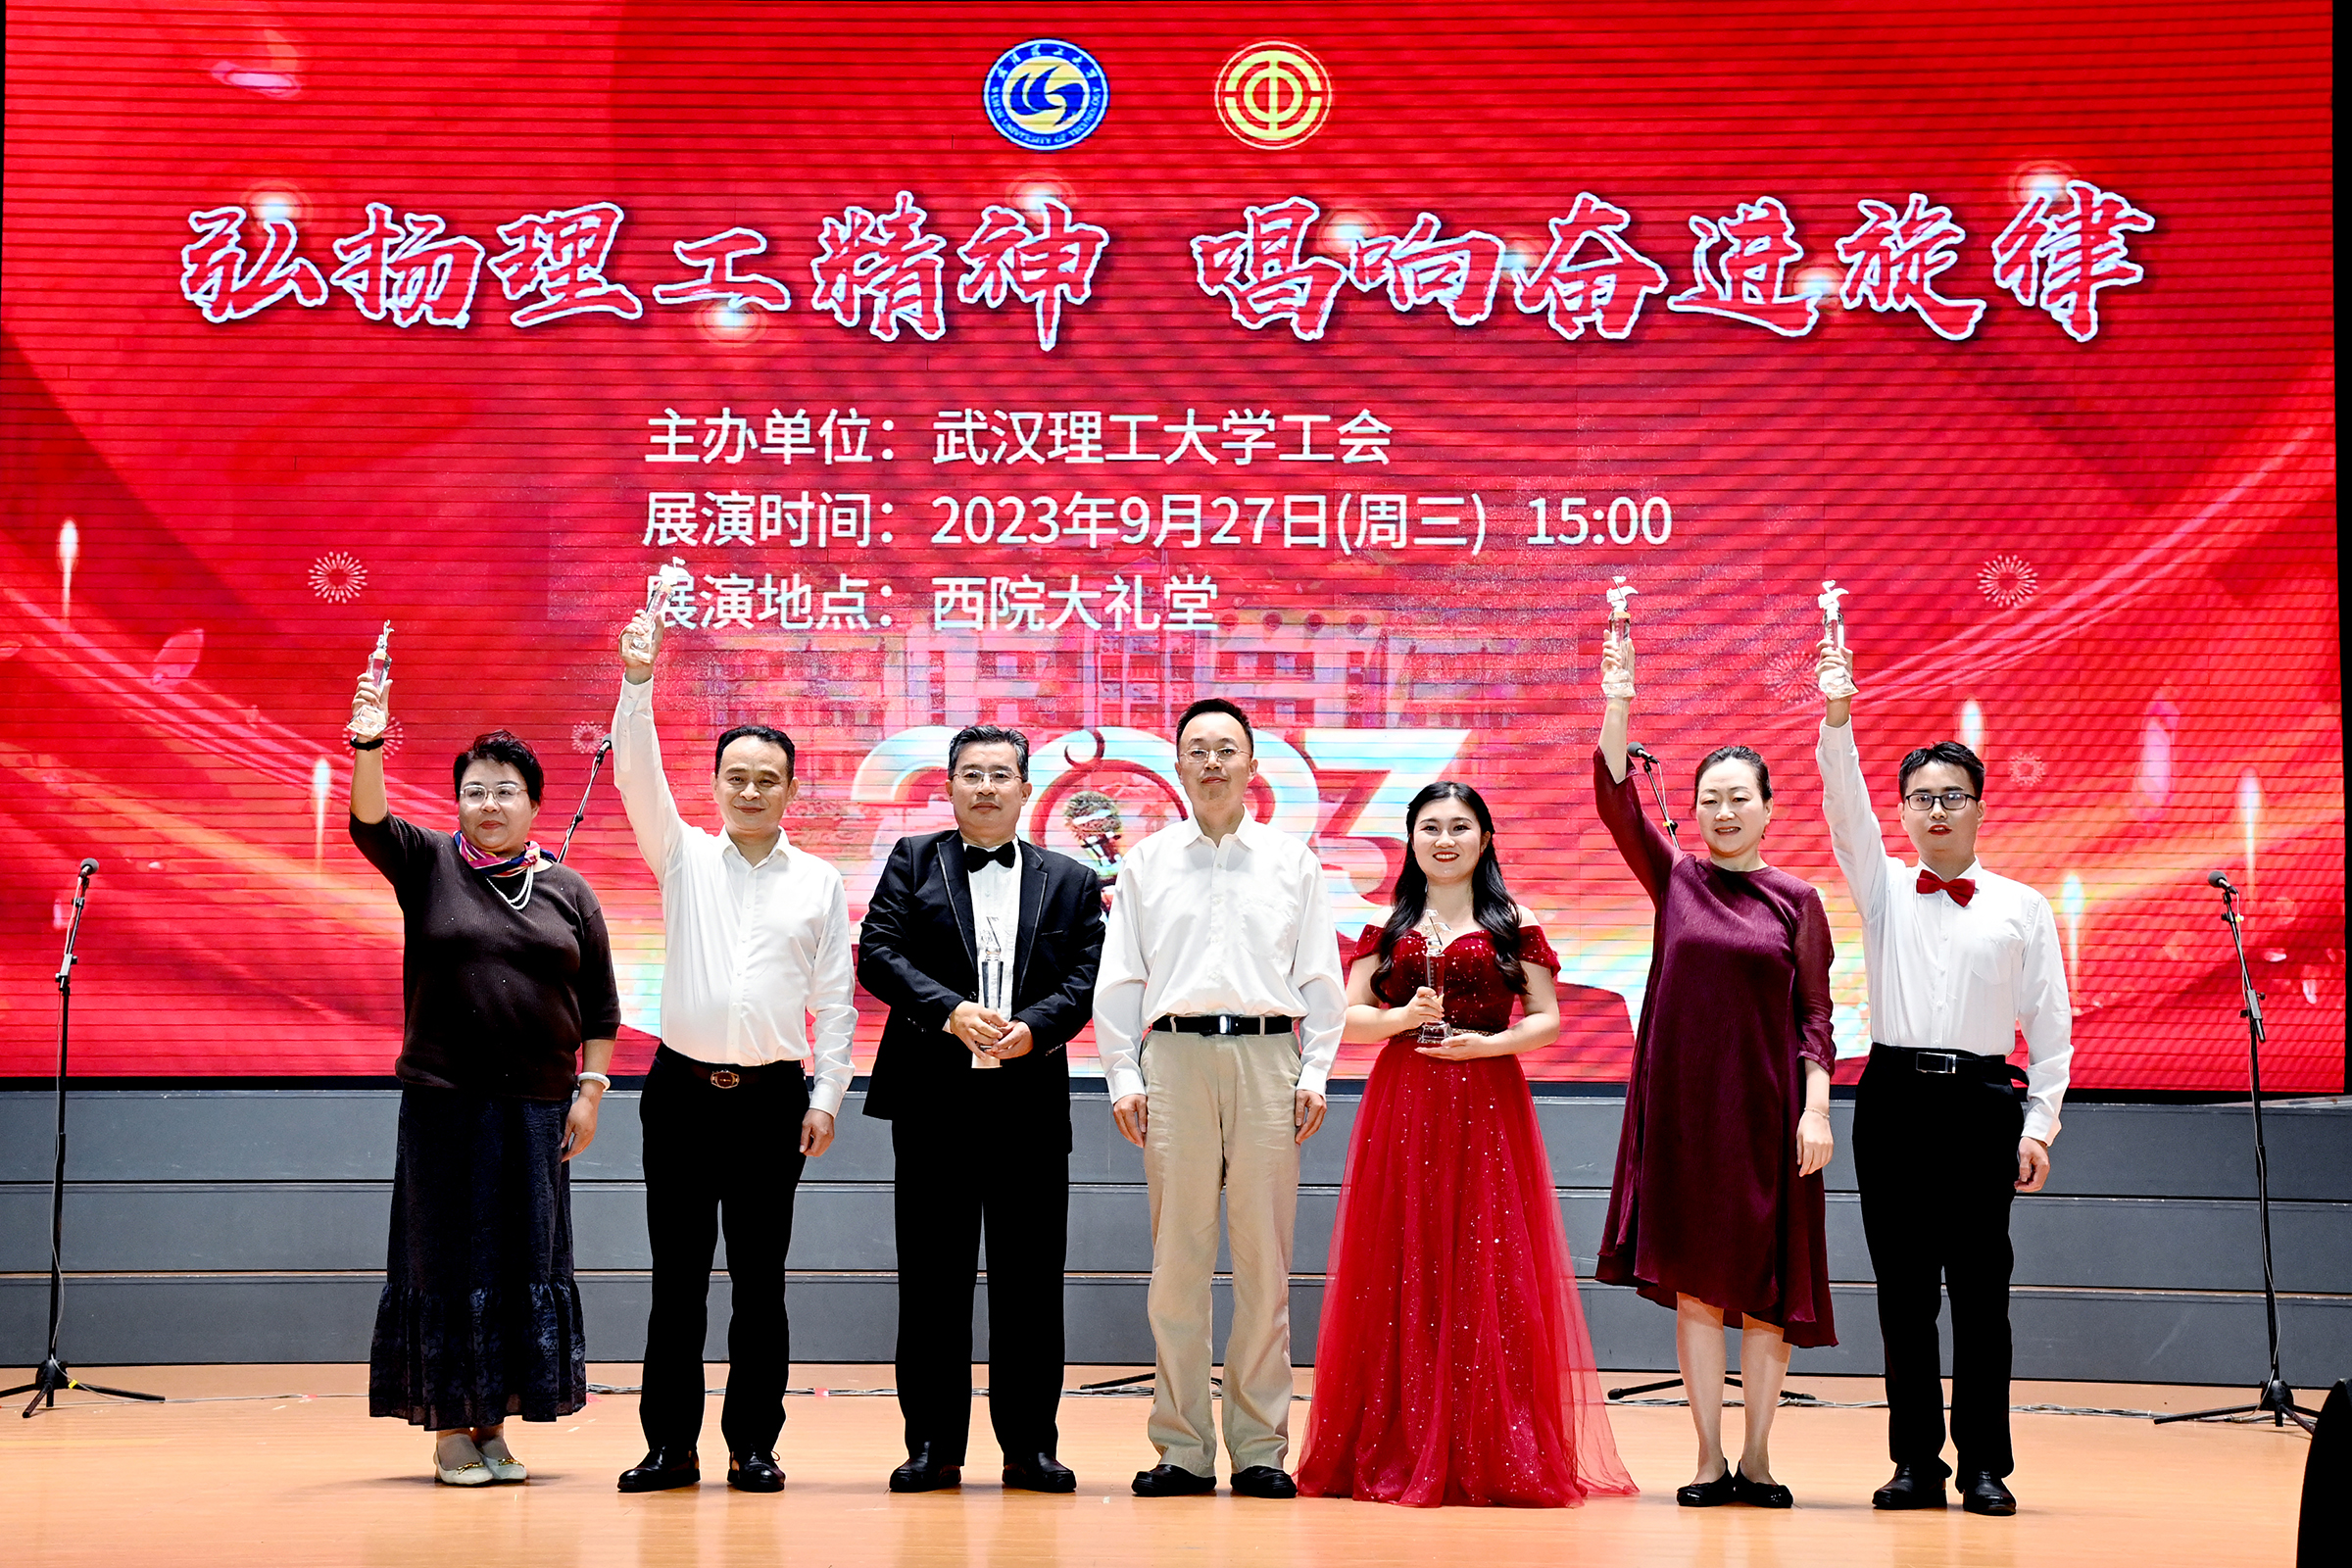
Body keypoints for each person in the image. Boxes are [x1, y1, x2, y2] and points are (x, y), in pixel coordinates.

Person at [1296, 783, 1637, 1508]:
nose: (1444, 840)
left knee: (1489, 1264)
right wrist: (1400, 1018)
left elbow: (1547, 1018)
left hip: (1487, 1102)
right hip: (1405, 1102)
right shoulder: (1387, 924)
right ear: (1411, 840)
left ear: (1485, 839)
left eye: (1459, 827)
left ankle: (1491, 1446)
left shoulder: (1513, 921)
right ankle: (1401, 1437)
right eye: (1430, 827)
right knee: (1401, 1262)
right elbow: (1346, 1018)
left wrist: (1490, 1044)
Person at [1815, 639, 2072, 1517]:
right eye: (1921, 797)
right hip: (1891, 1101)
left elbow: (2050, 1029)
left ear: (1979, 807)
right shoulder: (1883, 887)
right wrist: (1839, 717)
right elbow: (1843, 808)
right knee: (1903, 1294)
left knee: (1981, 1294)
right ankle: (1915, 1464)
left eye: (1952, 796)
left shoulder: (2022, 906)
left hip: (1981, 1104)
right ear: (1903, 810)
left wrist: (2038, 1127)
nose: (1936, 810)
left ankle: (1985, 1467)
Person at [348, 676, 616, 1488]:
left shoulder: (568, 890)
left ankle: (493, 1426)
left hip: (538, 1111)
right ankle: (448, 1433)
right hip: (445, 1107)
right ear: (457, 801)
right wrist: (368, 742)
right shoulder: (428, 863)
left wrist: (590, 1092)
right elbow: (368, 822)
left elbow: (601, 1007)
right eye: (475, 790)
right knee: (446, 1265)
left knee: (517, 1264)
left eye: (505, 791)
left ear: (534, 804)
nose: (489, 803)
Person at [609, 610, 856, 1494]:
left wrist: (826, 1097)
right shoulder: (681, 855)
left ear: (791, 791)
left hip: (771, 1104)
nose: (750, 791)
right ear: (714, 786)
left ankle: (755, 1444)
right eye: (736, 777)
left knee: (760, 1283)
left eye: (767, 780)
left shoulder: (820, 882)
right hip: (679, 1096)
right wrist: (638, 682)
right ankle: (669, 1448)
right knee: (675, 1282)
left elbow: (836, 1003)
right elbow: (635, 773)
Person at [1592, 635, 1837, 1508]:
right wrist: (1619, 698)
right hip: (1688, 1119)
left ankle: (1759, 1458)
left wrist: (1817, 1110)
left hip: (1774, 1119)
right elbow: (1614, 798)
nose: (1724, 812)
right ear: (1691, 811)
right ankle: (1706, 1458)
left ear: (1769, 809)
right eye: (1710, 799)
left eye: (1740, 798)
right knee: (1697, 1290)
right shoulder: (1677, 879)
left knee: (1768, 1294)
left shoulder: (1798, 900)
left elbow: (1817, 1017)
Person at [1095, 697, 1346, 1499]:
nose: (1212, 763)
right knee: (1178, 1264)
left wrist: (1315, 1071)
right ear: (1177, 766)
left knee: (1265, 1264)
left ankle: (1261, 1447)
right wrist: (1123, 1074)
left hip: (1271, 1060)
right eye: (1197, 750)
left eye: (1226, 749)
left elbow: (1321, 976)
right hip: (1173, 1060)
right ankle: (1182, 1448)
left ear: (1251, 765)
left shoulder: (1291, 862)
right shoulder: (1146, 863)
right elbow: (1121, 977)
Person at [857, 725, 1106, 1494]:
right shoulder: (912, 860)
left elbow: (1089, 973)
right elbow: (878, 952)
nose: (987, 787)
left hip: (1029, 1101)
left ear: (1027, 788)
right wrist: (950, 1011)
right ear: (950, 786)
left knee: (1031, 1283)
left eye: (1002, 774)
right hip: (932, 1100)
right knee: (932, 1281)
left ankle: (1030, 1447)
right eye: (972, 774)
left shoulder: (1071, 878)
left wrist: (1035, 1028)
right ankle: (933, 1446)